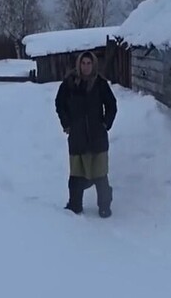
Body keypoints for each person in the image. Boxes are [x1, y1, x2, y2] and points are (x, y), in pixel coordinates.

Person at [55, 50, 118, 218]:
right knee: (76, 174)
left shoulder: (100, 84)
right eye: (83, 63)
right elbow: (60, 104)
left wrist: (105, 123)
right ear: (79, 64)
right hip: (77, 137)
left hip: (97, 137)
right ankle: (75, 205)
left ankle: (104, 206)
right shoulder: (70, 83)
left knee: (100, 175)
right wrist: (66, 123)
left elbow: (111, 105)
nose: (86, 66)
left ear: (94, 64)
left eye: (89, 63)